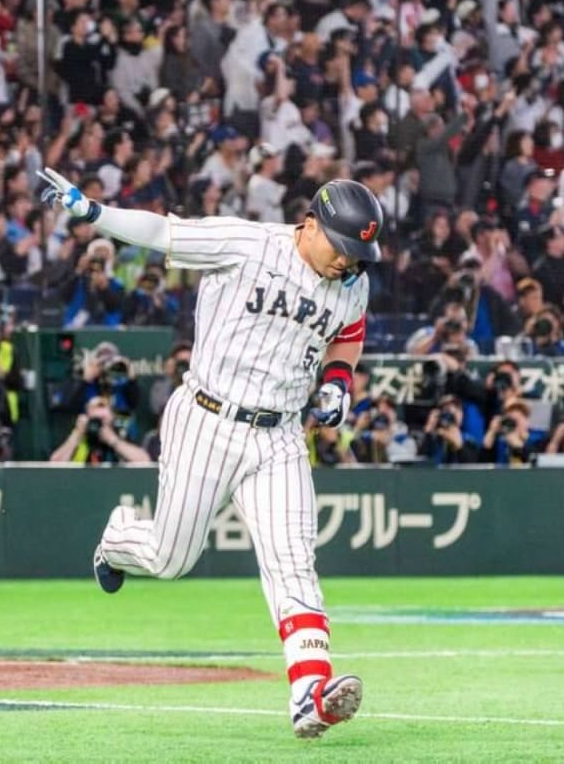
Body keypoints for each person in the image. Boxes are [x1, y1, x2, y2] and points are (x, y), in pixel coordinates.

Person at [40, 167, 378, 738]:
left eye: (358, 253)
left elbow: (349, 331)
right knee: (171, 558)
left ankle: (309, 692)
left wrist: (339, 383)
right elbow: (161, 232)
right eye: (342, 246)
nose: (348, 261)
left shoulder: (352, 281)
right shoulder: (247, 243)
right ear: (311, 224)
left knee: (293, 561)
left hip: (279, 435)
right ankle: (119, 540)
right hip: (208, 418)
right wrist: (93, 212)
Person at [49, 394, 152, 464]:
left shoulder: (120, 434)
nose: (99, 411)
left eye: (102, 406)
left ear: (112, 415)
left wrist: (113, 440)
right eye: (94, 407)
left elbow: (144, 461)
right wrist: (76, 435)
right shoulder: (80, 435)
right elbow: (53, 466)